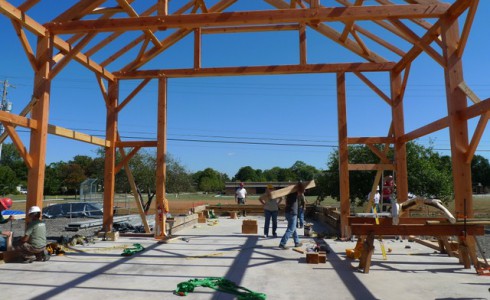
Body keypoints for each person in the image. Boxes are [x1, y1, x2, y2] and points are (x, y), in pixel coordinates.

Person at [279, 183, 303, 250]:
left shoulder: (289, 194)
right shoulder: (294, 193)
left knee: (293, 228)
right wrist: (300, 185)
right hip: (292, 213)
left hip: (288, 212)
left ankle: (297, 242)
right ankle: (282, 243)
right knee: (291, 229)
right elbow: (301, 191)